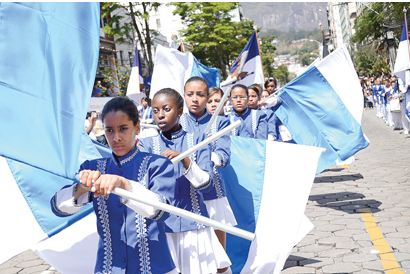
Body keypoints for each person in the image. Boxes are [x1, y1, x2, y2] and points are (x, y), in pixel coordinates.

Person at [52, 97, 178, 274]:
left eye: (123, 129)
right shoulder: (93, 168)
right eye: (109, 130)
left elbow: (163, 211)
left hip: (155, 268)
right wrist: (82, 187)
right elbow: (58, 208)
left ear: (137, 128)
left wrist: (125, 185)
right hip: (108, 269)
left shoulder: (158, 165)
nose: (116, 137)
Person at [139, 88, 232, 274]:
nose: (160, 115)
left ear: (180, 111)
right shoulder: (146, 145)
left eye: (167, 109)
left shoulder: (198, 140)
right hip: (162, 229)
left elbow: (206, 184)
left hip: (195, 227)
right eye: (156, 110)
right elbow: (142, 189)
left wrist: (185, 159)